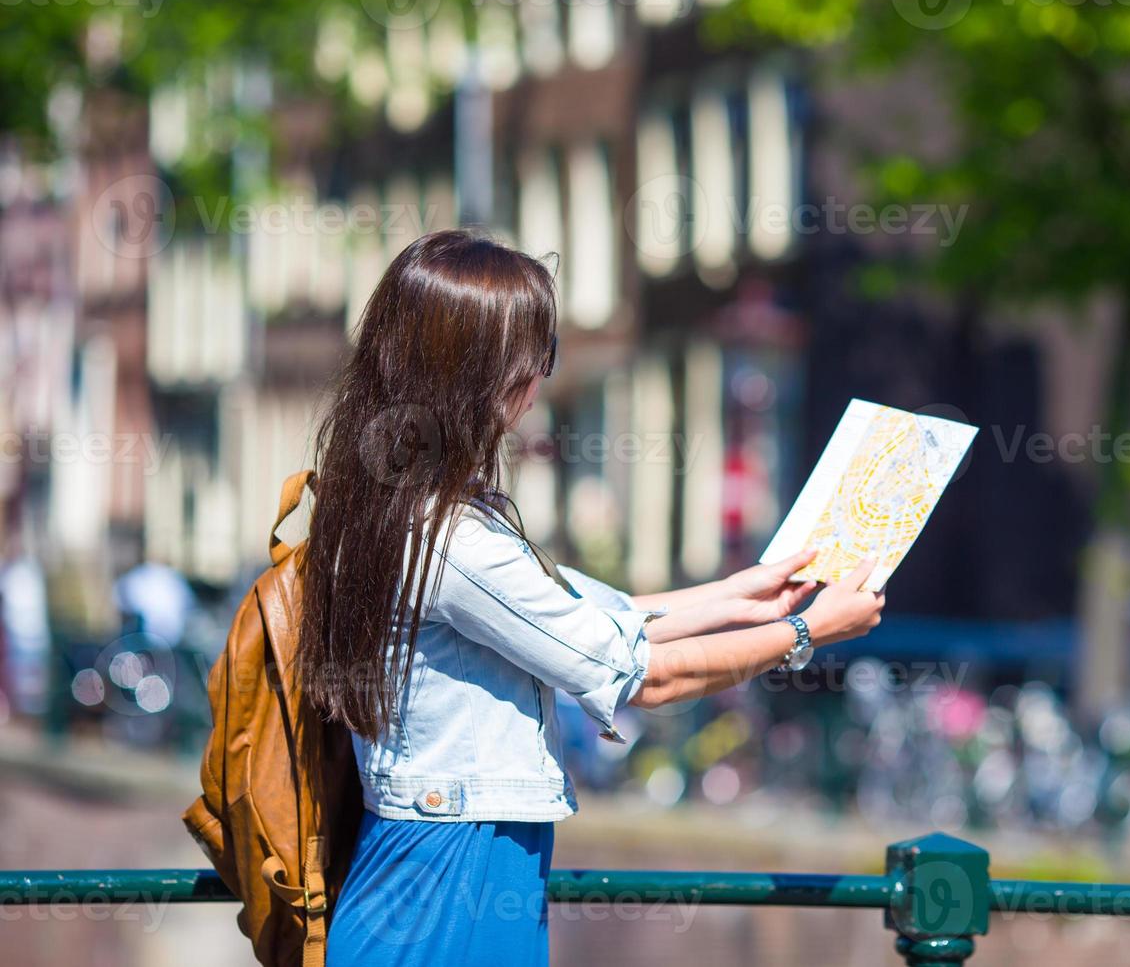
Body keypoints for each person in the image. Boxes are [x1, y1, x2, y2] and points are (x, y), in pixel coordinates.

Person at [297, 229, 884, 966]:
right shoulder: (450, 538)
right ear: (472, 373)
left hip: (442, 859)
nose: (540, 381)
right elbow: (636, 673)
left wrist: (747, 598)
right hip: (451, 876)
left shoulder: (394, 504)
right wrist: (805, 636)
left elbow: (582, 617)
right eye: (532, 360)